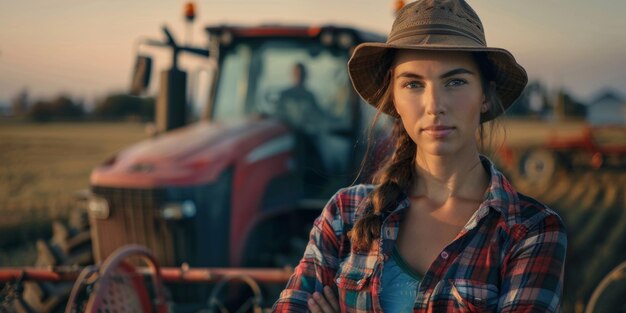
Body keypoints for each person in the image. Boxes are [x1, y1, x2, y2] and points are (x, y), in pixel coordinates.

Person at [272, 0, 567, 312]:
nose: (434, 105)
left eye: (455, 82)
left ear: (484, 96)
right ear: (394, 99)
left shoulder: (529, 231)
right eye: (413, 84)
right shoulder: (345, 215)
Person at [276, 62, 326, 130]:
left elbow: (319, 117)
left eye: (301, 74)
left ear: (305, 75)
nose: (299, 77)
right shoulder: (285, 95)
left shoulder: (310, 97)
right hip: (287, 132)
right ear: (292, 75)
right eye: (296, 74)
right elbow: (277, 115)